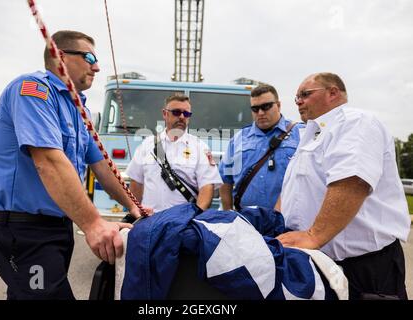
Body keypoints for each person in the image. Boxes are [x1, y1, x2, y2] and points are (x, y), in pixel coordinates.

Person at [0, 30, 151, 299]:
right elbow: (49, 161)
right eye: (88, 57)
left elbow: (102, 167)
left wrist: (134, 206)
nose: (96, 67)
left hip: (57, 229)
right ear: (59, 56)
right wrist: (94, 224)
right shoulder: (33, 90)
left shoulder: (78, 109)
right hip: (24, 231)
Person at [276, 72, 411, 299]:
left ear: (333, 92)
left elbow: (352, 180)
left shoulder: (354, 121)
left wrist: (314, 235)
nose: (298, 101)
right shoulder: (312, 134)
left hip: (362, 269)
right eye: (296, 97)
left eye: (305, 94)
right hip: (320, 263)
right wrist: (277, 222)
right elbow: (296, 188)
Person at [126, 94, 223, 213]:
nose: (182, 117)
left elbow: (207, 187)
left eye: (186, 114)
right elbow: (136, 182)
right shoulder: (147, 145)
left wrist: (195, 216)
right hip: (150, 220)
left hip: (182, 223)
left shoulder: (200, 148)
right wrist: (136, 212)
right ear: (165, 114)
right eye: (176, 112)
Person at [218, 83, 304, 211]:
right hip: (245, 221)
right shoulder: (238, 139)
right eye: (255, 109)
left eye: (266, 107)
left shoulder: (300, 134)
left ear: (278, 105)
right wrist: (228, 212)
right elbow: (225, 179)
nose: (260, 113)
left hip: (286, 221)